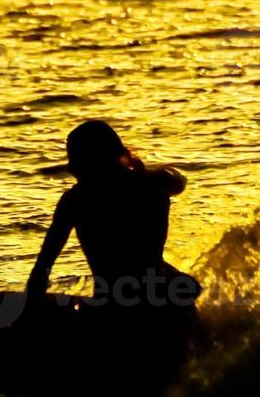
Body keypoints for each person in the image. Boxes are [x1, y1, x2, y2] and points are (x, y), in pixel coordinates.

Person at [25, 120, 201, 313]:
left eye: (75, 158)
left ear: (92, 161)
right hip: (168, 301)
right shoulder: (155, 183)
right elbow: (178, 180)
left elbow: (41, 270)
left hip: (114, 308)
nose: (71, 167)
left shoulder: (76, 200)